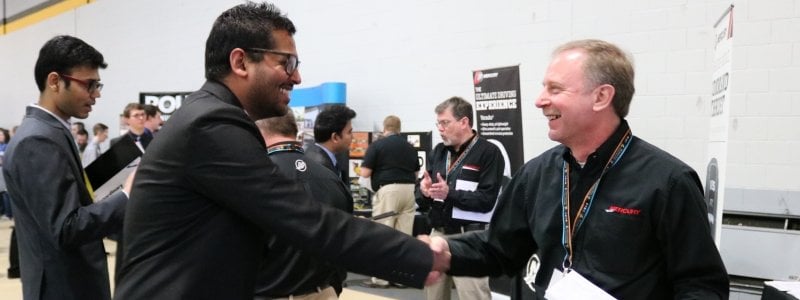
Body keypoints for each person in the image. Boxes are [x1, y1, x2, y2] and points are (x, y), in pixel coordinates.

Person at [114, 3, 447, 299]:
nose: (297, 77)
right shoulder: (211, 124)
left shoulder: (207, 116)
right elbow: (302, 218)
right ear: (241, 62)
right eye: (286, 62)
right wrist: (413, 254)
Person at [435, 39, 729, 299]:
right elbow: (499, 248)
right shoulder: (536, 175)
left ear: (601, 97)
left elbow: (701, 285)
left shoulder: (668, 182)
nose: (540, 100)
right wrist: (443, 252)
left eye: (555, 89)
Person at [1, 35, 132, 300]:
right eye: (89, 85)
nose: (96, 94)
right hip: (62, 288)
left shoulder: (52, 131)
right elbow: (66, 228)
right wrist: (127, 195)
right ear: (55, 82)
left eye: (98, 84)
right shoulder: (37, 140)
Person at [254, 111, 350, 300]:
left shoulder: (254, 177)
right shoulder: (333, 179)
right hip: (324, 292)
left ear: (257, 132)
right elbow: (344, 242)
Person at [418, 96, 505, 300]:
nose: (440, 128)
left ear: (464, 122)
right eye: (438, 123)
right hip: (438, 233)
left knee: (473, 296)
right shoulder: (439, 152)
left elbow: (486, 200)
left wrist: (450, 194)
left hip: (470, 239)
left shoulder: (489, 152)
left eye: (445, 122)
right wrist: (423, 191)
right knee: (434, 295)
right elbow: (423, 197)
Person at [360, 115, 420, 287]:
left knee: (382, 235)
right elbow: (416, 174)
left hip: (388, 191)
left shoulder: (377, 145)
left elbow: (364, 173)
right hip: (408, 191)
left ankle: (381, 278)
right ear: (399, 129)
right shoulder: (410, 147)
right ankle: (401, 278)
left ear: (384, 128)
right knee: (404, 237)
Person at [305, 105, 356, 190]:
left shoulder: (313, 154)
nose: (352, 137)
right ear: (335, 137)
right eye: (349, 132)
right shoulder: (321, 169)